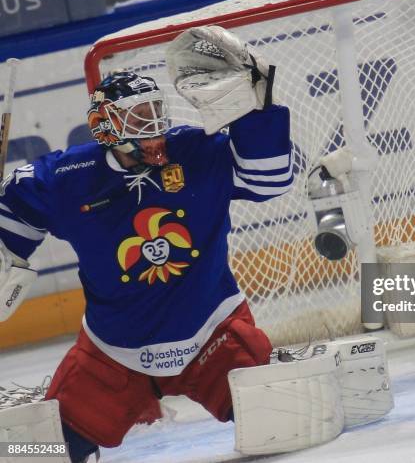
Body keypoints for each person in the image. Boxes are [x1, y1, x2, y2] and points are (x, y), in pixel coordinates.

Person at [0, 28, 292, 462]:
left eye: (155, 111)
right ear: (107, 128)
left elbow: (272, 179)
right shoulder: (66, 179)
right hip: (112, 354)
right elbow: (12, 230)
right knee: (39, 454)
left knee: (290, 421)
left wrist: (254, 111)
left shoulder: (195, 151)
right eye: (139, 118)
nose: (155, 126)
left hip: (214, 335)